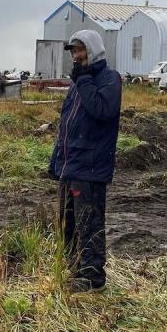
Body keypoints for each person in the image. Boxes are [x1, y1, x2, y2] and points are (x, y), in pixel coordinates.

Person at [48, 29, 122, 293]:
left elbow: (103, 110)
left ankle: (92, 279)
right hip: (70, 167)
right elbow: (67, 124)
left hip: (90, 169)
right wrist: (56, 162)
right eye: (74, 51)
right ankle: (73, 270)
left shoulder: (108, 79)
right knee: (67, 223)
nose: (77, 56)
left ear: (93, 50)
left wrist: (85, 81)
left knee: (88, 224)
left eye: (81, 50)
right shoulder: (79, 82)